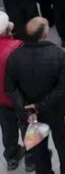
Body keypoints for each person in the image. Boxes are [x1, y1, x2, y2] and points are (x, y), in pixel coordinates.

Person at [4, 17, 65, 174]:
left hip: (30, 116)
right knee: (64, 144)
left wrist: (26, 108)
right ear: (45, 34)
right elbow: (63, 87)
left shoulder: (15, 57)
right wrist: (40, 106)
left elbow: (10, 88)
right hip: (56, 111)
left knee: (38, 150)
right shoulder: (57, 55)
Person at [0, 12, 22, 170]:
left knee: (7, 128)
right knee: (27, 126)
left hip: (1, 99)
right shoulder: (17, 47)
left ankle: (11, 156)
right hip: (19, 95)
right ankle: (32, 157)